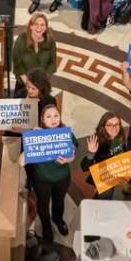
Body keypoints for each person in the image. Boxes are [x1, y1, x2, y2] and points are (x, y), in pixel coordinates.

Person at [27, 104, 77, 243]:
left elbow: (73, 154)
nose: (53, 119)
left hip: (62, 177)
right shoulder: (36, 133)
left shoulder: (65, 133)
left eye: (56, 115)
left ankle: (58, 219)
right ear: (42, 119)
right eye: (48, 116)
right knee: (43, 204)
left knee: (59, 201)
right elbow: (17, 131)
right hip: (41, 179)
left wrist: (68, 159)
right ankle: (46, 226)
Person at [80, 113, 130, 199]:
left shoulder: (120, 136)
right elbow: (84, 167)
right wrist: (91, 153)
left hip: (115, 174)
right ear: (103, 126)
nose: (114, 128)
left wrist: (124, 172)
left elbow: (123, 152)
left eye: (117, 124)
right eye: (109, 124)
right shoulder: (98, 140)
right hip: (102, 177)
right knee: (104, 197)